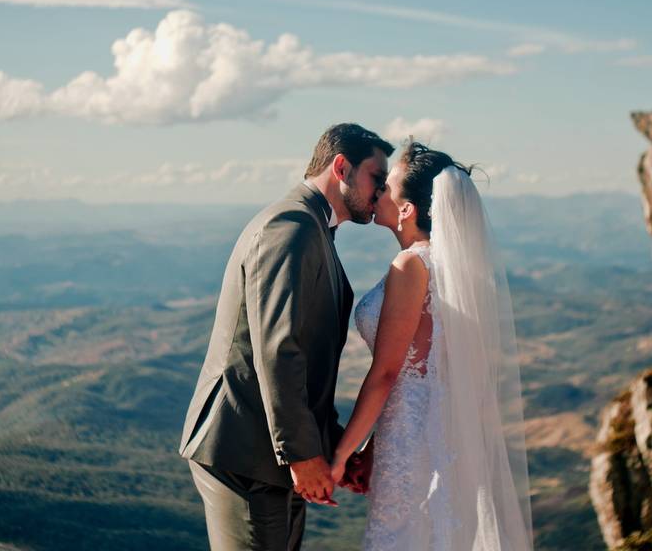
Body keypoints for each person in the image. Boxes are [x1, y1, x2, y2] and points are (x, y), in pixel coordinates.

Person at [178, 123, 394, 551]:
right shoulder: (292, 226)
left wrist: (332, 448)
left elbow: (309, 364)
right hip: (246, 454)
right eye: (377, 178)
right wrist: (301, 454)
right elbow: (279, 350)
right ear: (341, 167)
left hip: (267, 456)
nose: (383, 191)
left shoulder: (313, 228)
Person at [330, 141, 534, 550]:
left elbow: (388, 373)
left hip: (410, 439)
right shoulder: (444, 266)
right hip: (426, 432)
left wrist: (340, 454)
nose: (378, 193)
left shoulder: (412, 265)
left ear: (407, 209)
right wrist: (372, 448)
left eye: (386, 187)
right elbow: (426, 367)